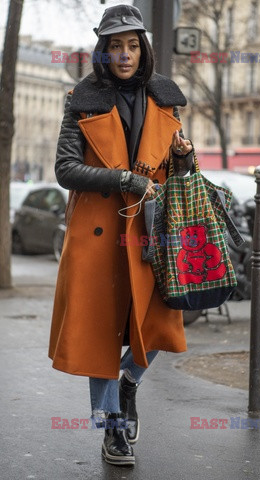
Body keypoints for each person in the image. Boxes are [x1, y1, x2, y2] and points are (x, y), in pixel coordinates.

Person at [48, 4, 193, 467]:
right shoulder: (82, 99)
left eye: (132, 45)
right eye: (115, 46)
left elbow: (176, 169)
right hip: (99, 235)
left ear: (143, 49)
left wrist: (186, 159)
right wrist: (124, 180)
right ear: (103, 52)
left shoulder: (165, 99)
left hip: (151, 231)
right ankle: (111, 431)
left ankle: (130, 382)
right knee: (101, 334)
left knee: (158, 323)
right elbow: (65, 170)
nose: (125, 54)